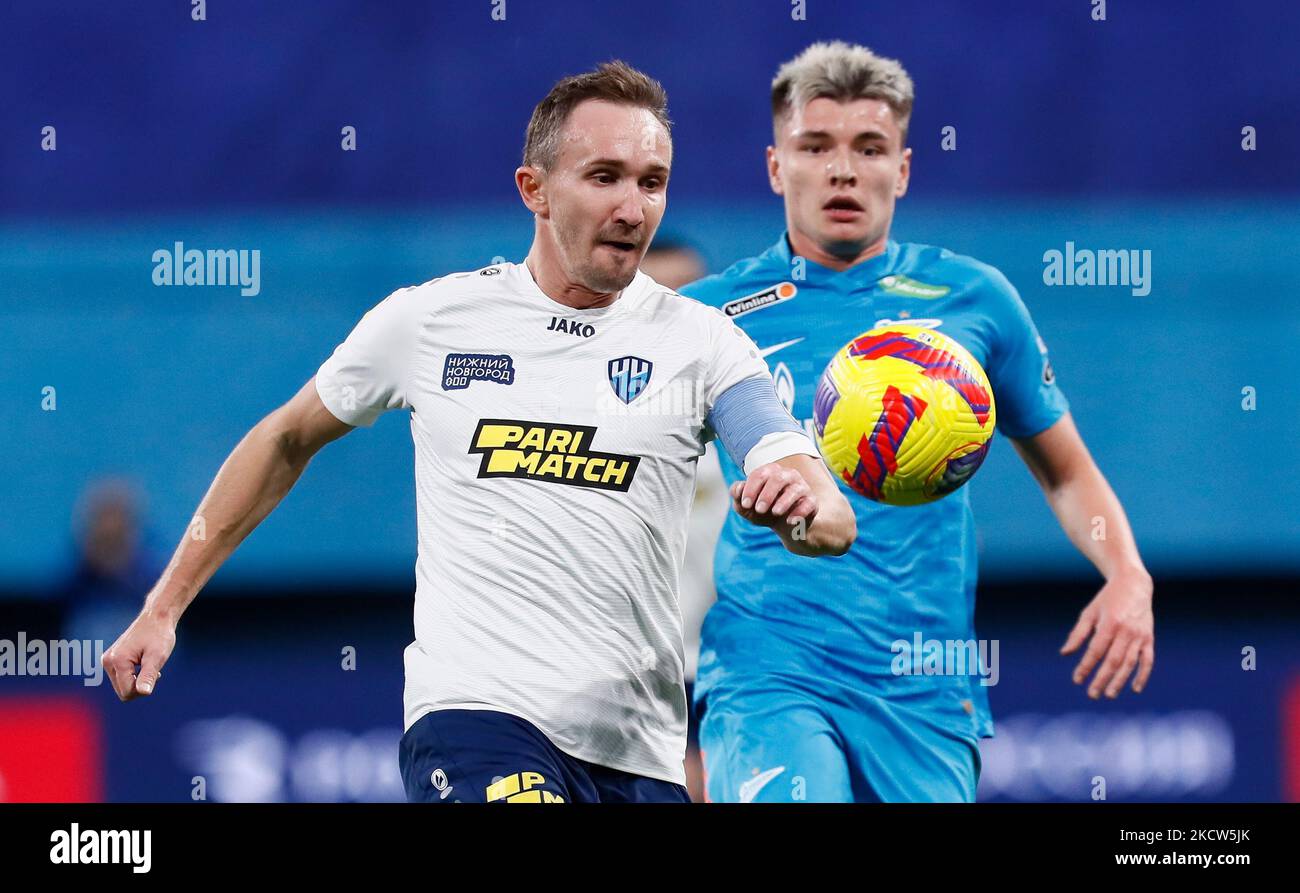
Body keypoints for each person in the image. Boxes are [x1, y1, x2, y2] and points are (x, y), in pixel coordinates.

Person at [101, 61, 855, 804]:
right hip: (475, 718)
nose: (632, 206)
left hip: (638, 751)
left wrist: (799, 508)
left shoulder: (706, 341)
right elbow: (286, 437)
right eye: (604, 177)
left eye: (651, 182)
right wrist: (163, 607)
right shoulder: (431, 320)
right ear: (534, 189)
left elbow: (822, 502)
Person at [681, 42, 1155, 803]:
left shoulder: (974, 299)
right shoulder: (708, 316)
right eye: (816, 146)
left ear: (901, 169)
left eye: (870, 148)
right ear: (776, 167)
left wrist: (1128, 574)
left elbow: (1065, 471)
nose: (844, 170)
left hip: (925, 682)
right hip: (769, 665)